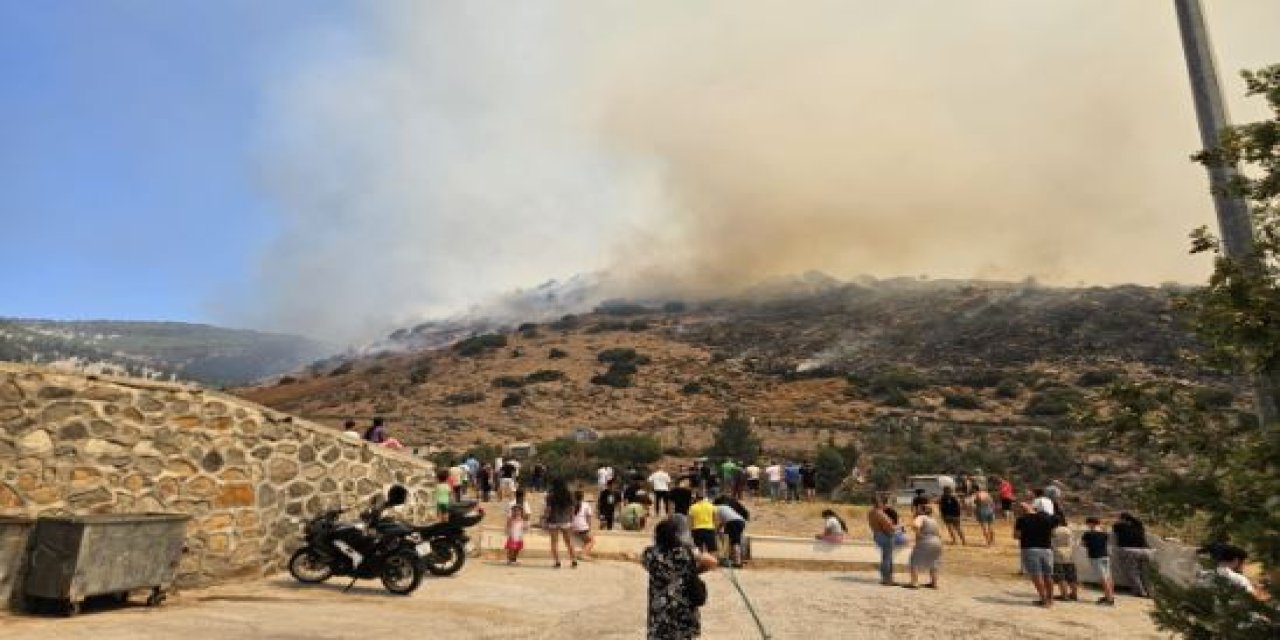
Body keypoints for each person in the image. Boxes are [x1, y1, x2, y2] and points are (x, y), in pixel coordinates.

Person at [642, 518, 718, 640]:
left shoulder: (650, 554)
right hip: (683, 613)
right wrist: (693, 570)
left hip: (659, 615)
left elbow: (649, 566)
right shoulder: (686, 552)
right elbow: (712, 562)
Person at [1014, 500, 1058, 607]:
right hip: (1047, 549)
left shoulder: (1022, 519)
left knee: (1036, 575)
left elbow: (1016, 535)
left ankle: (1043, 600)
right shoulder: (1049, 519)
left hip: (1030, 549)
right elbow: (1053, 533)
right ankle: (1050, 599)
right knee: (1048, 575)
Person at [1113, 512, 1153, 598]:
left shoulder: (1118, 526)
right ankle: (1151, 592)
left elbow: (1115, 530)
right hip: (1147, 551)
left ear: (1123, 519)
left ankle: (1141, 592)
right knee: (1146, 573)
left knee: (1133, 572)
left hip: (1130, 550)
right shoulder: (1139, 525)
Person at [904, 505, 943, 589]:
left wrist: (919, 535)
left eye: (919, 509)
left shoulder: (921, 517)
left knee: (914, 560)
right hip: (937, 541)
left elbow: (915, 526)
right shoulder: (933, 520)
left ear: (922, 511)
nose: (917, 511)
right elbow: (939, 534)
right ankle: (934, 583)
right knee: (934, 562)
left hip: (926, 540)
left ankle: (914, 582)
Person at [542, 478, 578, 568]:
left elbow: (548, 509)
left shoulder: (550, 496)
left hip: (553, 520)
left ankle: (557, 562)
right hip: (566, 520)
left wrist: (544, 519)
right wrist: (572, 519)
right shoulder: (569, 495)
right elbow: (572, 509)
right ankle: (573, 560)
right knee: (569, 542)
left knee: (554, 542)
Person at [1081, 516, 1115, 605]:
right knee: (1108, 577)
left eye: (1087, 523)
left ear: (1091, 523)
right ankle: (1110, 595)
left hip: (1095, 557)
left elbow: (1083, 544)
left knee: (1103, 578)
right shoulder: (1104, 533)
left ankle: (1109, 599)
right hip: (1105, 556)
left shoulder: (1088, 534)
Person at [868, 495, 897, 585]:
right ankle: (887, 579)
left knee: (885, 557)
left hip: (877, 534)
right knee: (887, 558)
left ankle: (885, 578)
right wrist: (897, 528)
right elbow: (889, 527)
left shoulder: (871, 512)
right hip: (885, 535)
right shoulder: (880, 513)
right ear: (879, 503)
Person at [1051, 512, 1079, 601]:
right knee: (1071, 576)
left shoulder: (1053, 531)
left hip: (1058, 554)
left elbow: (1051, 543)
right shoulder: (1068, 530)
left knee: (1060, 576)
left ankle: (1064, 595)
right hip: (1070, 554)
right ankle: (1074, 594)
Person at [713, 496, 747, 567]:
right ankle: (737, 559)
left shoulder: (716, 508)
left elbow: (717, 522)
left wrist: (716, 530)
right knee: (734, 541)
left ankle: (737, 562)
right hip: (740, 521)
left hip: (733, 522)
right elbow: (722, 522)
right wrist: (718, 529)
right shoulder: (725, 507)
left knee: (735, 542)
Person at [572, 490, 596, 560]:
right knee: (592, 541)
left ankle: (584, 552)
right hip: (582, 527)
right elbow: (588, 518)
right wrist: (589, 528)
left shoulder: (571, 505)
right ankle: (583, 554)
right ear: (582, 497)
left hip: (574, 527)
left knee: (586, 540)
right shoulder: (586, 505)